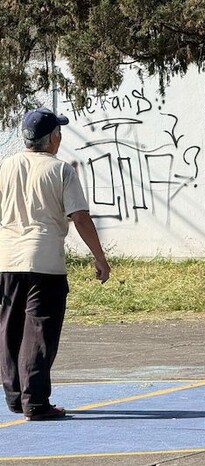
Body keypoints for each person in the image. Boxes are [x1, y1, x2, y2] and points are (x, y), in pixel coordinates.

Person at [0, 107, 111, 420]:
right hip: (44, 260)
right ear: (52, 139)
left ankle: (14, 396)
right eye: (58, 132)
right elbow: (80, 217)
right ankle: (35, 400)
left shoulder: (6, 166)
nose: (60, 137)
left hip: (7, 259)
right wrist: (99, 257)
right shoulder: (60, 170)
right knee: (39, 330)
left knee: (10, 328)